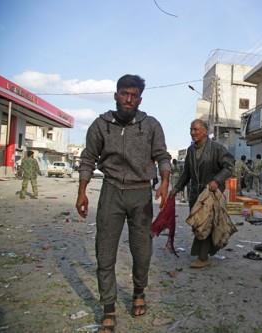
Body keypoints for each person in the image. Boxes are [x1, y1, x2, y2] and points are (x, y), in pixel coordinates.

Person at [75, 75, 171, 332]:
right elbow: (88, 159)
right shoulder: (100, 125)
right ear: (116, 94)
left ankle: (139, 292)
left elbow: (162, 156)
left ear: (140, 98)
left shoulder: (151, 125)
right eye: (124, 93)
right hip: (111, 191)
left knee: (142, 251)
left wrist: (164, 182)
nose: (129, 99)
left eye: (134, 95)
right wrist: (82, 192)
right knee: (105, 252)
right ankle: (109, 307)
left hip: (141, 195)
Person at [170, 119, 234, 268]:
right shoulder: (191, 150)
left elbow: (229, 166)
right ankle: (205, 253)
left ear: (205, 131)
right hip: (195, 194)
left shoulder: (217, 148)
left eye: (196, 129)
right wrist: (176, 188)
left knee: (205, 224)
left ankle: (203, 257)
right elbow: (186, 173)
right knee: (198, 223)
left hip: (210, 193)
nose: (193, 133)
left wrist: (217, 180)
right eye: (191, 129)